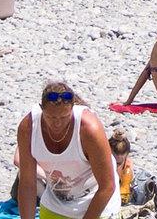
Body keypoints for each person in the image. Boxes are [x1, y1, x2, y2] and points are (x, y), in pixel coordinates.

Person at [17, 79, 119, 219]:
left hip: (96, 203)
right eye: (51, 117)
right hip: (56, 203)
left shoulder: (88, 129)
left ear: (73, 109)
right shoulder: (28, 127)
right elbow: (27, 184)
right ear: (41, 109)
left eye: (64, 117)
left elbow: (107, 186)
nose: (57, 123)